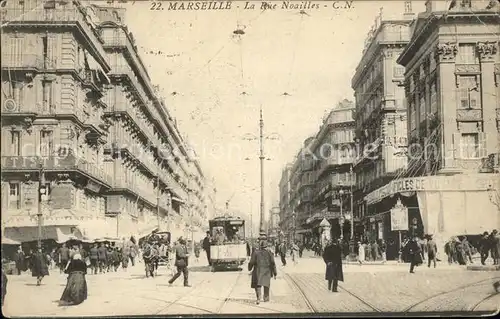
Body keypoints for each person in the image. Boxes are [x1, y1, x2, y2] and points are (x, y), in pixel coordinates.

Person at [248, 236, 277, 305]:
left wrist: (250, 268)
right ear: (266, 246)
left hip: (258, 270)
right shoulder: (269, 253)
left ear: (260, 246)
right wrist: (275, 272)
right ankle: (266, 298)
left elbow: (251, 262)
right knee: (266, 284)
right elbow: (273, 263)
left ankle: (258, 298)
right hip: (267, 271)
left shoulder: (256, 252)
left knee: (258, 284)